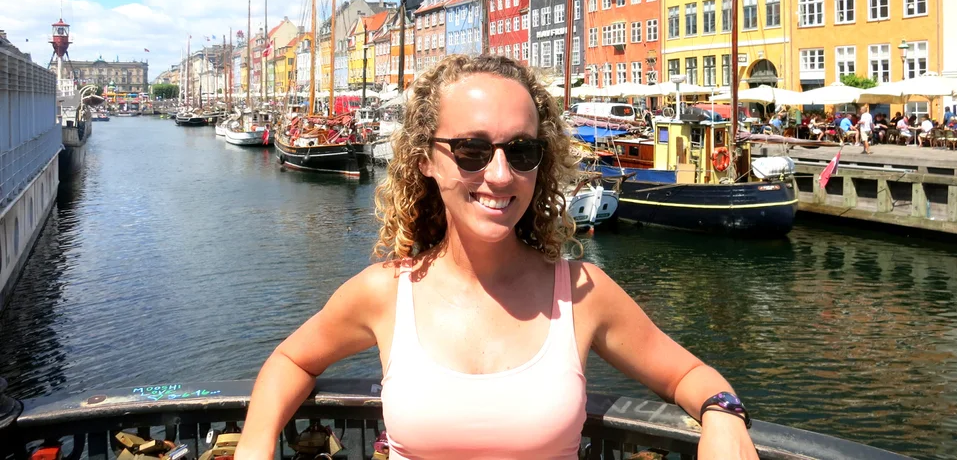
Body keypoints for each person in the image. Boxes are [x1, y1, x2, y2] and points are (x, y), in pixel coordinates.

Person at [236, 55, 759, 460]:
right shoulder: (386, 292)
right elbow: (291, 360)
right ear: (425, 159)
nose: (501, 174)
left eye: (522, 150)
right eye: (472, 150)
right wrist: (255, 444)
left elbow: (688, 376)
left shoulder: (581, 293)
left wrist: (724, 416)